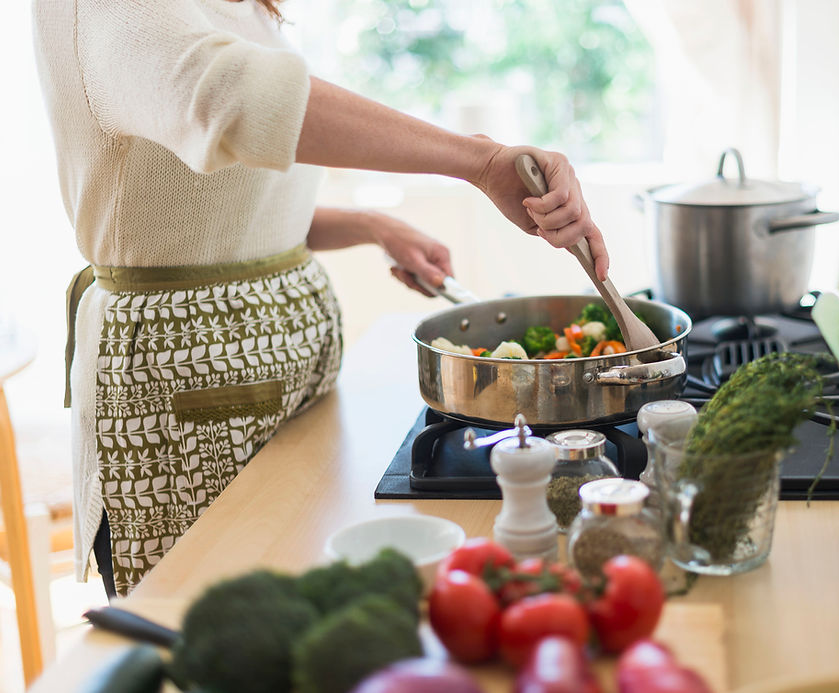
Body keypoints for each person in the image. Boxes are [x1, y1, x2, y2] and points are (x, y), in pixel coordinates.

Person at [32, 0, 610, 598]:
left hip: (289, 376)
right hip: (189, 392)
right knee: (203, 617)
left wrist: (369, 224)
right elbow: (232, 99)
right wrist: (479, 160)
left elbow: (221, 215)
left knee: (299, 610)